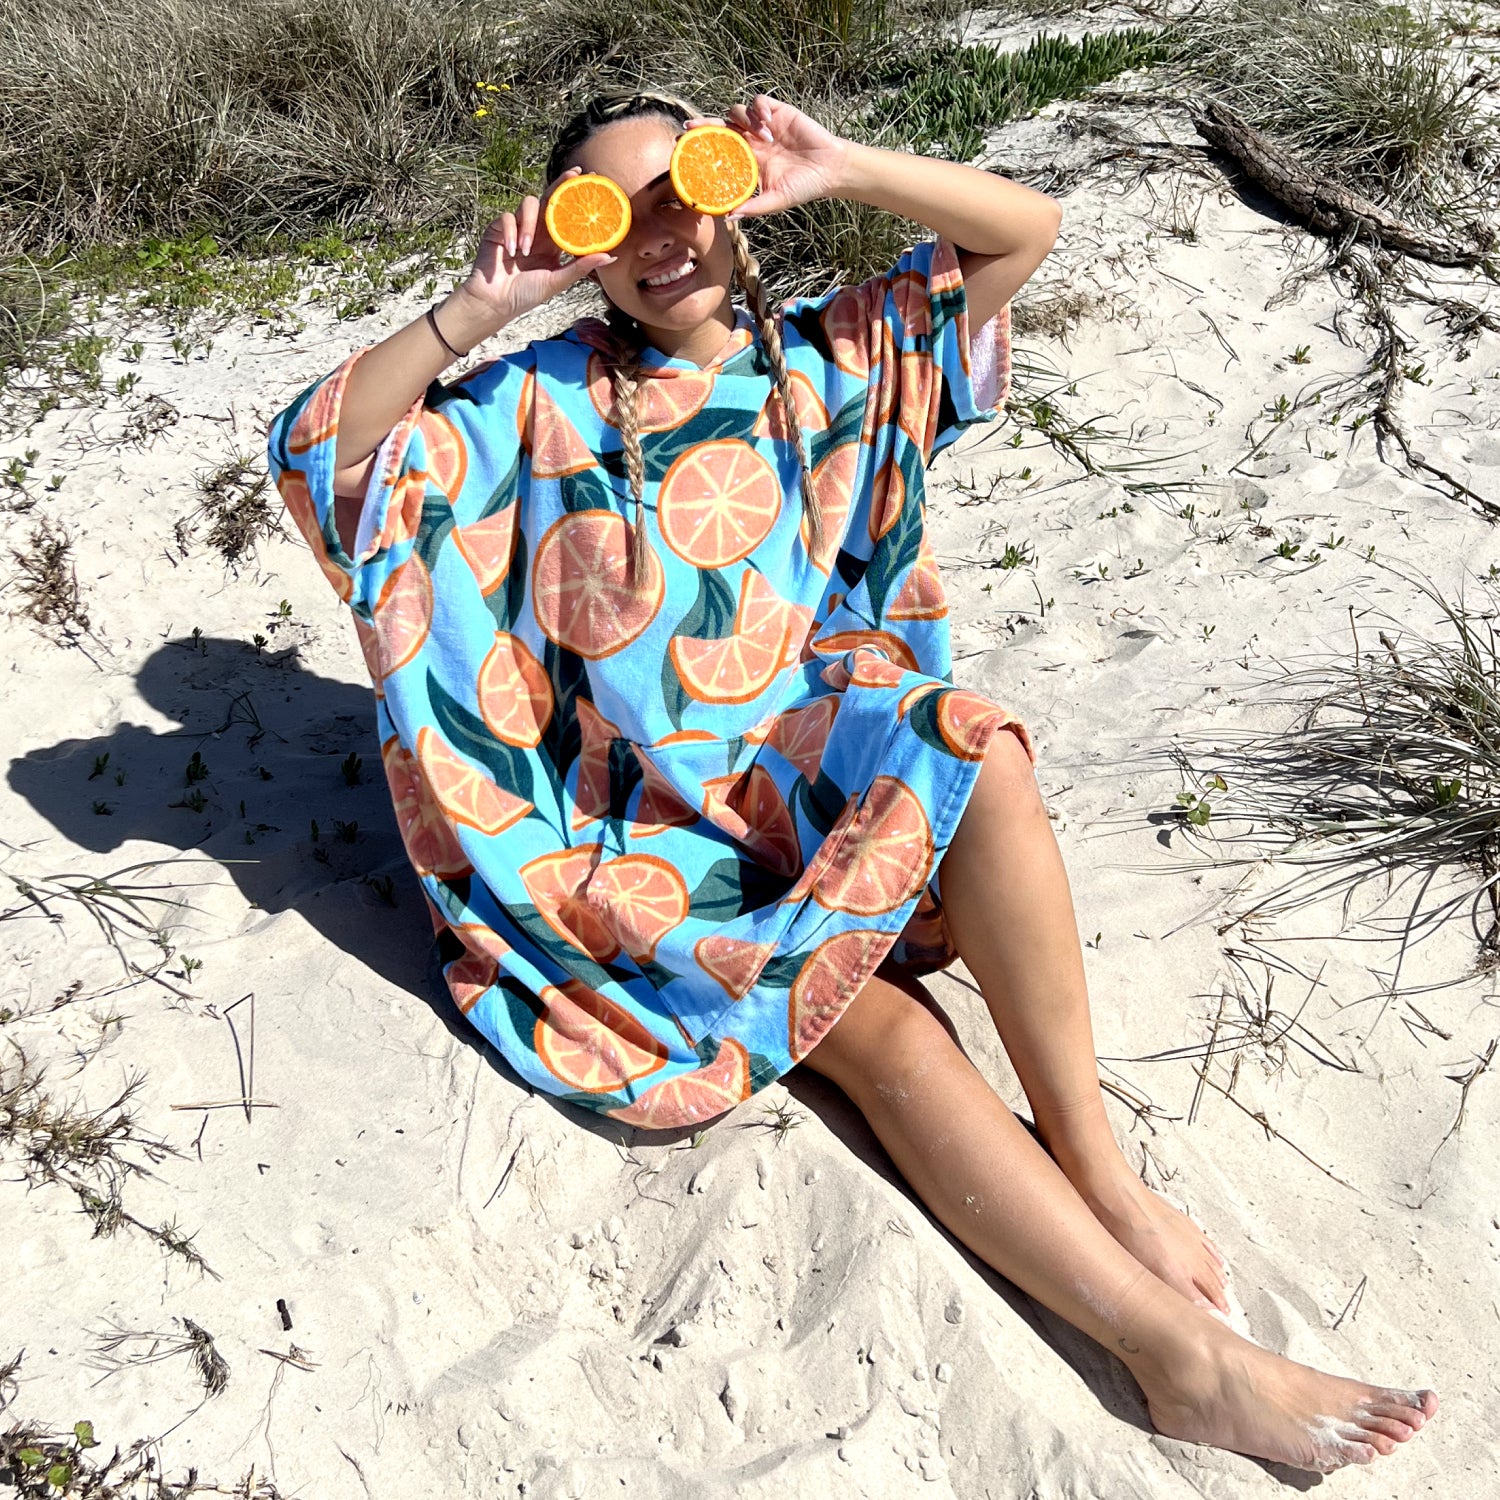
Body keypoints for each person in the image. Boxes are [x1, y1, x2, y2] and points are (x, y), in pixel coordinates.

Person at [265, 88, 1437, 1473]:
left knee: (976, 747)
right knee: (873, 1031)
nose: (657, 234)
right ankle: (1181, 1363)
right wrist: (480, 306)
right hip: (633, 827)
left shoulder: (837, 357)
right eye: (609, 212)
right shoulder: (535, 399)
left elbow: (1025, 233)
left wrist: (837, 169)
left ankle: (1102, 1176)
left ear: (733, 191)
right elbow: (322, 456)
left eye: (680, 189)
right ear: (572, 241)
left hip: (801, 766)